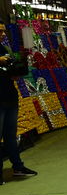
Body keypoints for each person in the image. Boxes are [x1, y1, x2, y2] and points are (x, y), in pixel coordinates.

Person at [0, 20, 37, 184]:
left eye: (3, 31)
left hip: (9, 97)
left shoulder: (4, 48)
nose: (2, 34)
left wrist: (15, 70)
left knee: (10, 135)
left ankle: (18, 167)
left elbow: (12, 71)